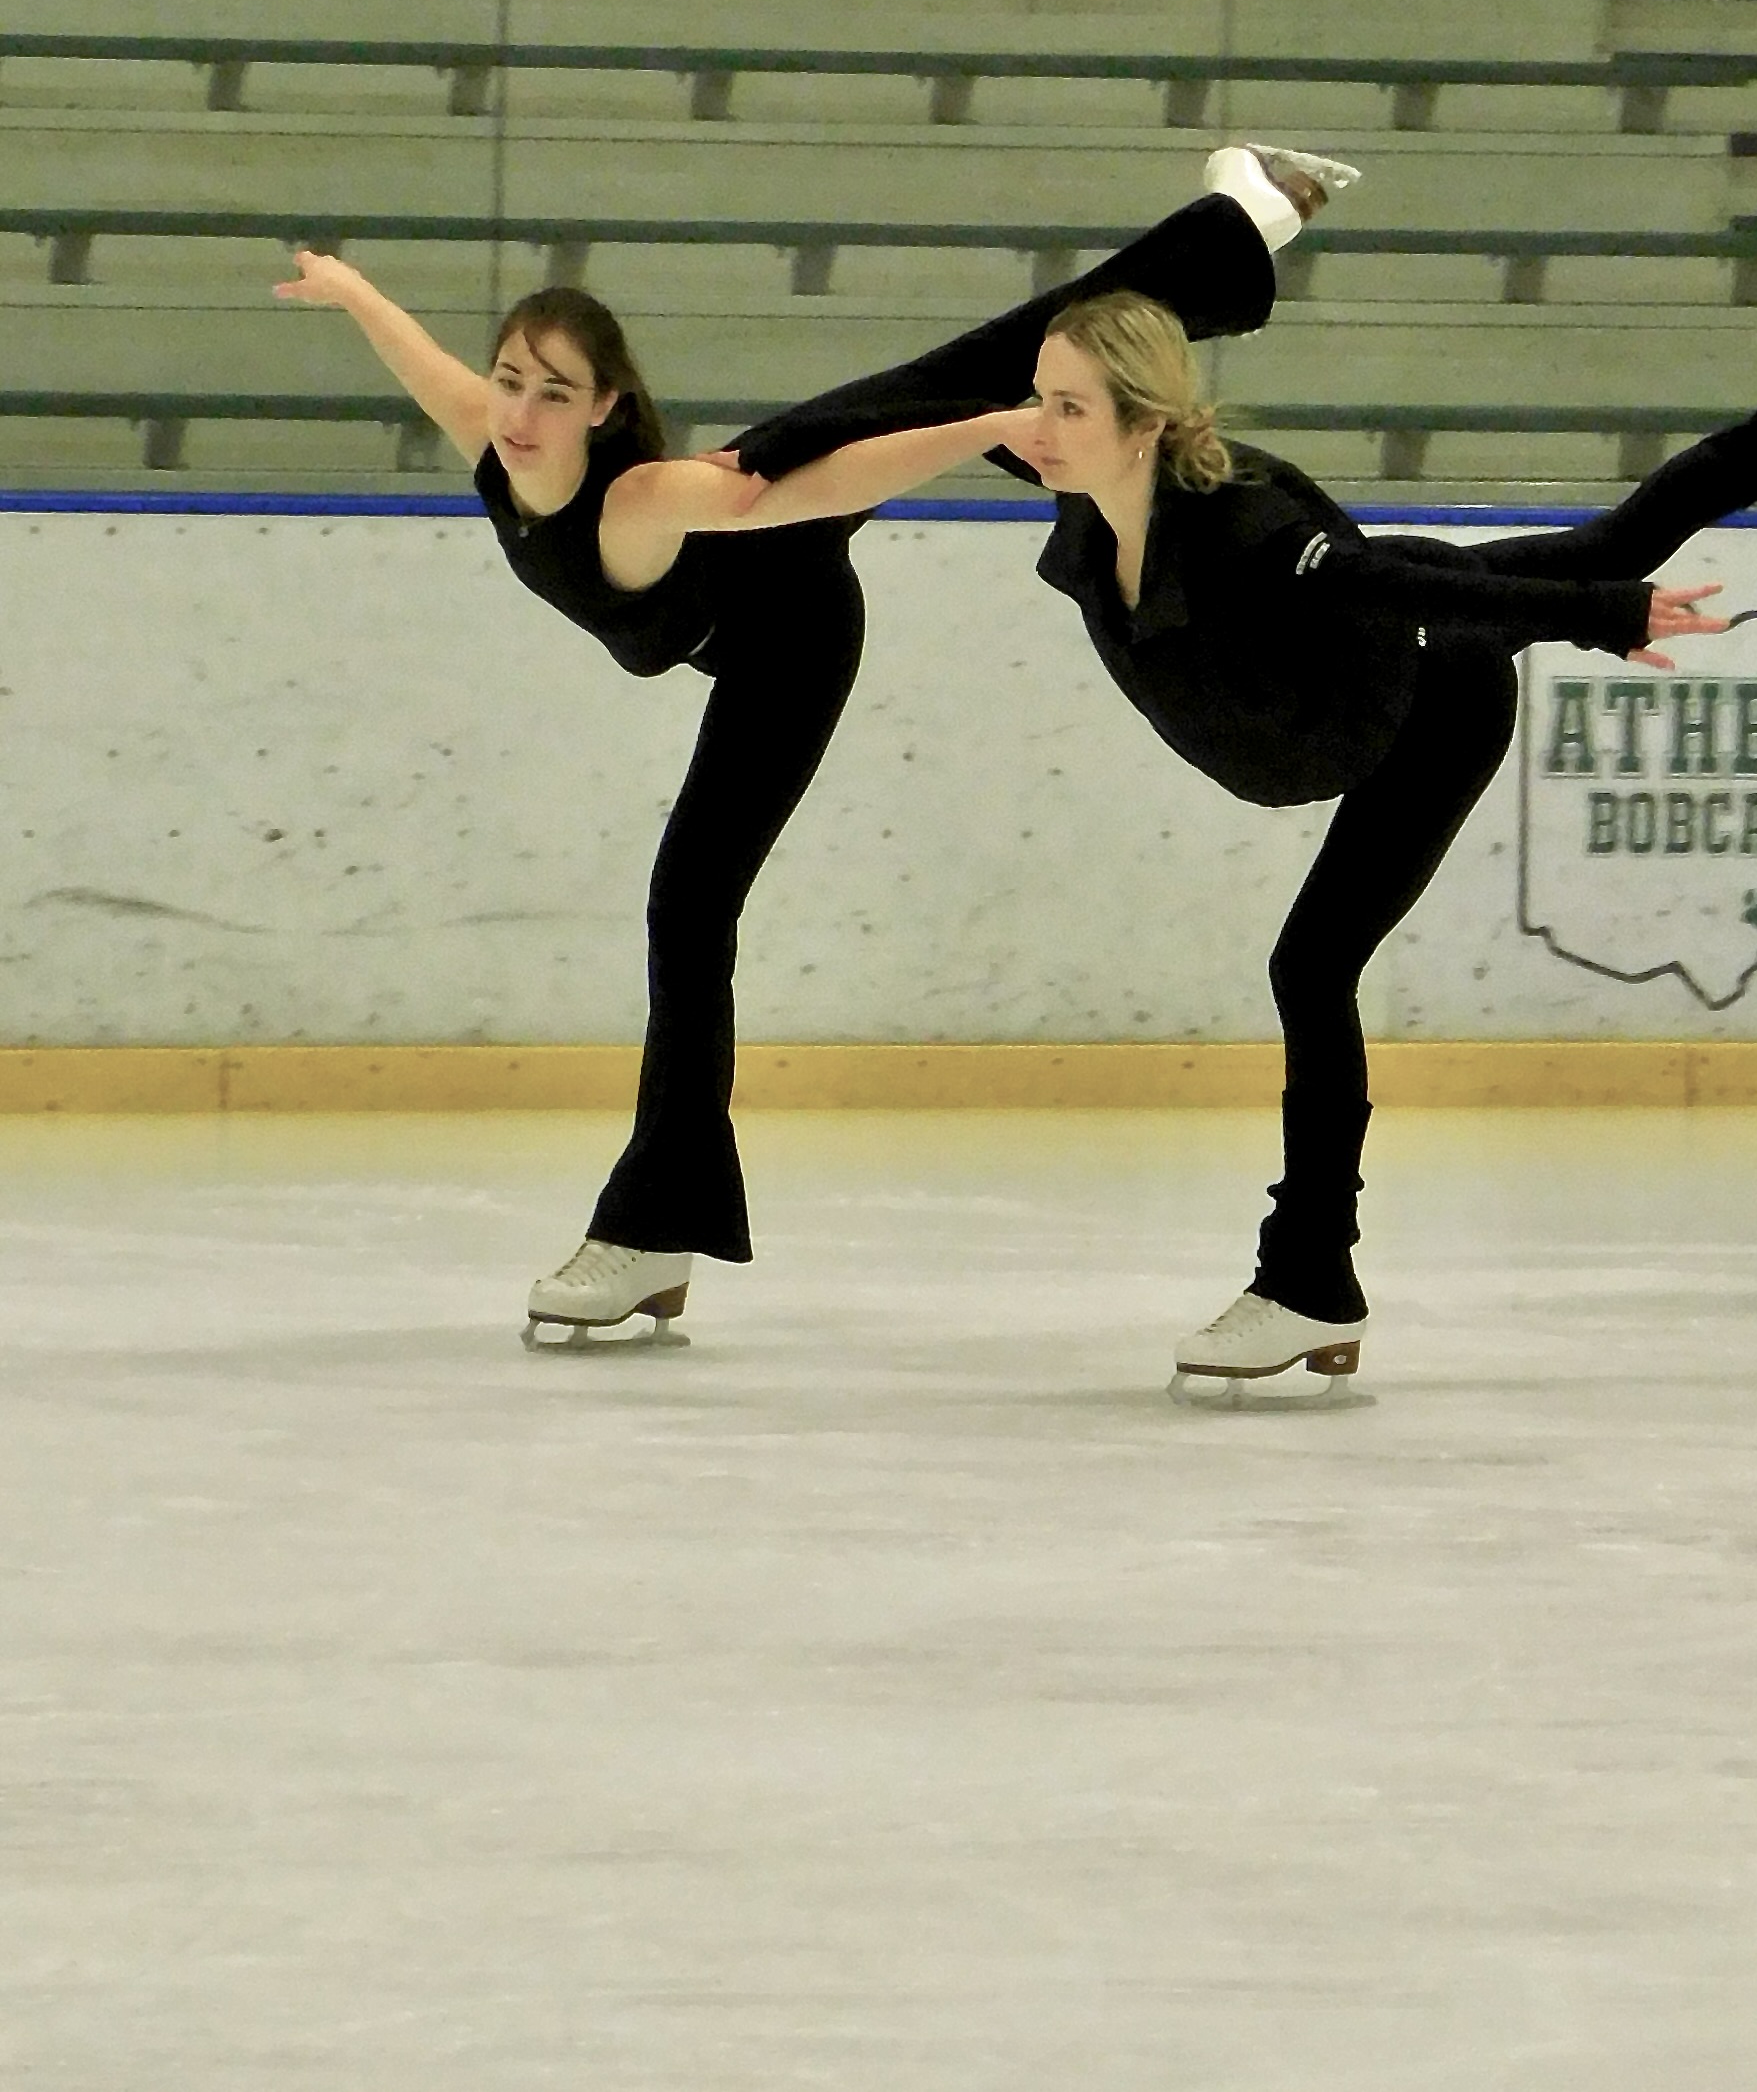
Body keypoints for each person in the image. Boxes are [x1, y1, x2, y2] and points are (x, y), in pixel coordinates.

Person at [736, 287, 1757, 1399]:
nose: (1034, 425)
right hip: (1339, 689)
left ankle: (1310, 1279)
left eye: (1065, 406)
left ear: (1145, 422)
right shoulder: (1082, 477)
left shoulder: (1253, 527)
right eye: (1038, 400)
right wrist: (764, 459)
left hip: (1424, 701)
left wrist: (1601, 620)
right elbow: (923, 398)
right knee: (1612, 539)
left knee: (1312, 963)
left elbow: (1397, 589)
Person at [272, 146, 1351, 1346]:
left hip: (789, 630)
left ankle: (647, 1230)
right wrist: (354, 291)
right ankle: (1246, 216)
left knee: (689, 900)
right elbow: (425, 363)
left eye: (554, 393)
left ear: (606, 409)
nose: (520, 412)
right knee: (955, 373)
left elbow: (826, 485)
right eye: (511, 380)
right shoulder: (493, 436)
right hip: (745, 602)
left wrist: (981, 428)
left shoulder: (640, 498)